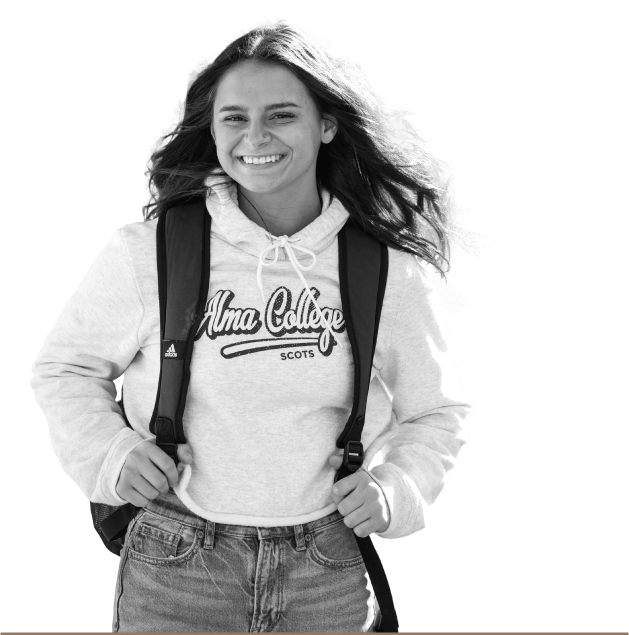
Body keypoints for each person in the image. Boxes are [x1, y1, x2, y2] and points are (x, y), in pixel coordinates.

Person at [30, 16, 474, 633]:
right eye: (234, 117)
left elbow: (437, 412)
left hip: (327, 563)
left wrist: (398, 489)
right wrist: (109, 451)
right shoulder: (149, 251)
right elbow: (65, 369)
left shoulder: (384, 269)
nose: (254, 136)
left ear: (326, 124)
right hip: (175, 561)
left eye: (282, 115)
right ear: (212, 129)